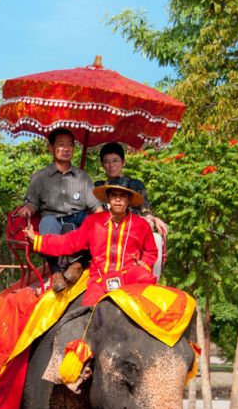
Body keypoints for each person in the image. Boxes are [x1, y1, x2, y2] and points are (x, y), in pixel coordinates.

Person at [23, 180, 157, 304]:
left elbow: (151, 251)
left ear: (129, 200)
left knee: (147, 282)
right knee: (88, 305)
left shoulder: (141, 225)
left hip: (130, 274)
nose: (117, 199)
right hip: (100, 278)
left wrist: (144, 265)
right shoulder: (94, 221)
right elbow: (68, 242)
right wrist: (37, 239)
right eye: (114, 195)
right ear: (108, 199)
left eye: (122, 196)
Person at [19, 128, 105, 292]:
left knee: (94, 223)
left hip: (78, 221)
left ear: (73, 148)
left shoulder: (83, 177)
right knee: (47, 222)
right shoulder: (40, 177)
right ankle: (56, 271)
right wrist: (28, 208)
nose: (66, 149)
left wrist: (105, 222)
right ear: (51, 148)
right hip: (54, 220)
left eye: (70, 145)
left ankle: (80, 263)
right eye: (61, 145)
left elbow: (96, 207)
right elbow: (32, 203)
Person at [97, 142, 168, 277]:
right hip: (108, 232)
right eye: (106, 162)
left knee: (157, 239)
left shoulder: (135, 185)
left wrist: (154, 218)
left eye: (115, 161)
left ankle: (153, 279)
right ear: (102, 165)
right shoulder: (99, 187)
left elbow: (145, 212)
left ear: (123, 162)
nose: (111, 165)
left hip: (132, 231)